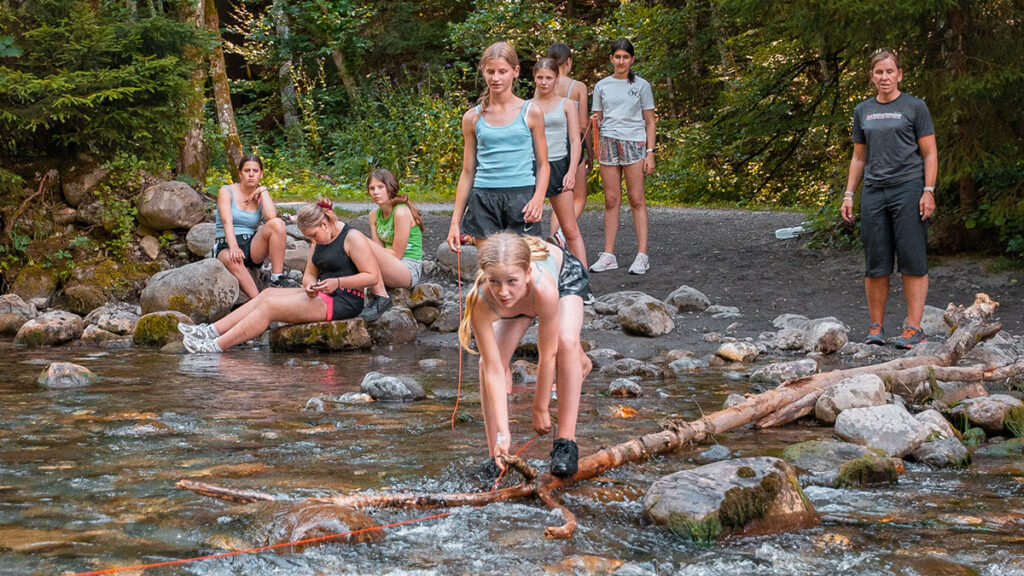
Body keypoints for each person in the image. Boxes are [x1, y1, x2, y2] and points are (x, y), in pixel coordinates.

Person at [458, 231, 591, 479]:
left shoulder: (543, 288)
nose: (502, 291)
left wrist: (540, 408)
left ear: (527, 272)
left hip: (562, 280)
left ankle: (566, 442)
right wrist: (503, 433)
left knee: (565, 342)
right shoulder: (482, 298)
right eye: (494, 281)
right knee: (486, 361)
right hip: (521, 304)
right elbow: (494, 369)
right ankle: (496, 455)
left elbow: (547, 353)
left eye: (510, 281)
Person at [178, 199, 380, 353]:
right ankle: (210, 331)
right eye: (309, 237)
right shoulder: (318, 240)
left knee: (269, 307)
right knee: (266, 295)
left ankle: (214, 346)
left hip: (346, 300)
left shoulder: (353, 238)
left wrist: (338, 282)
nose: (312, 240)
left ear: (325, 224)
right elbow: (309, 274)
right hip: (323, 294)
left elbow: (372, 276)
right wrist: (309, 285)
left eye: (313, 235)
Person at [840, 48, 937, 350]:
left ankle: (914, 328)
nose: (885, 77)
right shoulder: (863, 111)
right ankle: (876, 326)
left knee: (912, 258)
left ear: (899, 74)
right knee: (876, 261)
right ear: (872, 76)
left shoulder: (915, 106)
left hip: (908, 189)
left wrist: (928, 191)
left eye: (890, 72)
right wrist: (848, 194)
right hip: (874, 192)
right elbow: (858, 158)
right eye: (879, 72)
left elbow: (930, 152)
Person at [446, 42, 549, 252]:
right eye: (490, 71)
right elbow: (467, 172)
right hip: (483, 198)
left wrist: (538, 199)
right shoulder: (472, 118)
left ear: (515, 72)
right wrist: (455, 222)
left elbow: (544, 164)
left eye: (502, 71)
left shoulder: (531, 111)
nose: (496, 78)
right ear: (483, 72)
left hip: (522, 198)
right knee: (489, 269)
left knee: (526, 269)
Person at [589, 39, 657, 275]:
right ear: (611, 59)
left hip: (634, 142)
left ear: (632, 59)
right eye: (617, 57)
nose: (621, 61)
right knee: (610, 199)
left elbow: (650, 122)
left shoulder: (641, 85)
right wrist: (595, 121)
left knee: (636, 198)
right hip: (608, 142)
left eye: (625, 57)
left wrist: (650, 153)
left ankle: (642, 254)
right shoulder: (601, 86)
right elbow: (597, 116)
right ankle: (609, 254)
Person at [213, 154, 298, 298]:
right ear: (240, 173)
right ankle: (259, 301)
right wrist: (233, 247)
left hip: (252, 246)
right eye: (247, 171)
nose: (251, 174)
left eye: (255, 171)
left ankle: (276, 278)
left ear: (261, 174)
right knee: (234, 261)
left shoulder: (260, 195)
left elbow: (272, 218)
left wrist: (263, 191)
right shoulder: (226, 191)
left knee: (277, 224)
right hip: (227, 243)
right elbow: (227, 221)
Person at [532, 58, 587, 268]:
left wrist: (572, 171)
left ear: (556, 79)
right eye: (540, 78)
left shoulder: (566, 104)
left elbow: (575, 140)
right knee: (529, 228)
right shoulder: (527, 106)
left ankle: (584, 284)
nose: (544, 82)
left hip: (559, 166)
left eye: (548, 78)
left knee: (570, 230)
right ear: (534, 78)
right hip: (533, 167)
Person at [547, 42, 592, 260]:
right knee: (579, 197)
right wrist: (590, 153)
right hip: (572, 143)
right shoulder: (578, 87)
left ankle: (555, 237)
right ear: (569, 62)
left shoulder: (545, 83)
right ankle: (560, 234)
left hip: (550, 145)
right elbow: (583, 125)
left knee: (557, 198)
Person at [361, 168, 424, 322]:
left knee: (357, 241)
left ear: (390, 187)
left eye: (380, 187)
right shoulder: (374, 214)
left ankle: (381, 298)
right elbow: (379, 249)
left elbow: (396, 254)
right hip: (390, 264)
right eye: (372, 188)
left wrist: (361, 243)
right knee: (357, 247)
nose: (376, 192)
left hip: (408, 267)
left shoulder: (401, 212)